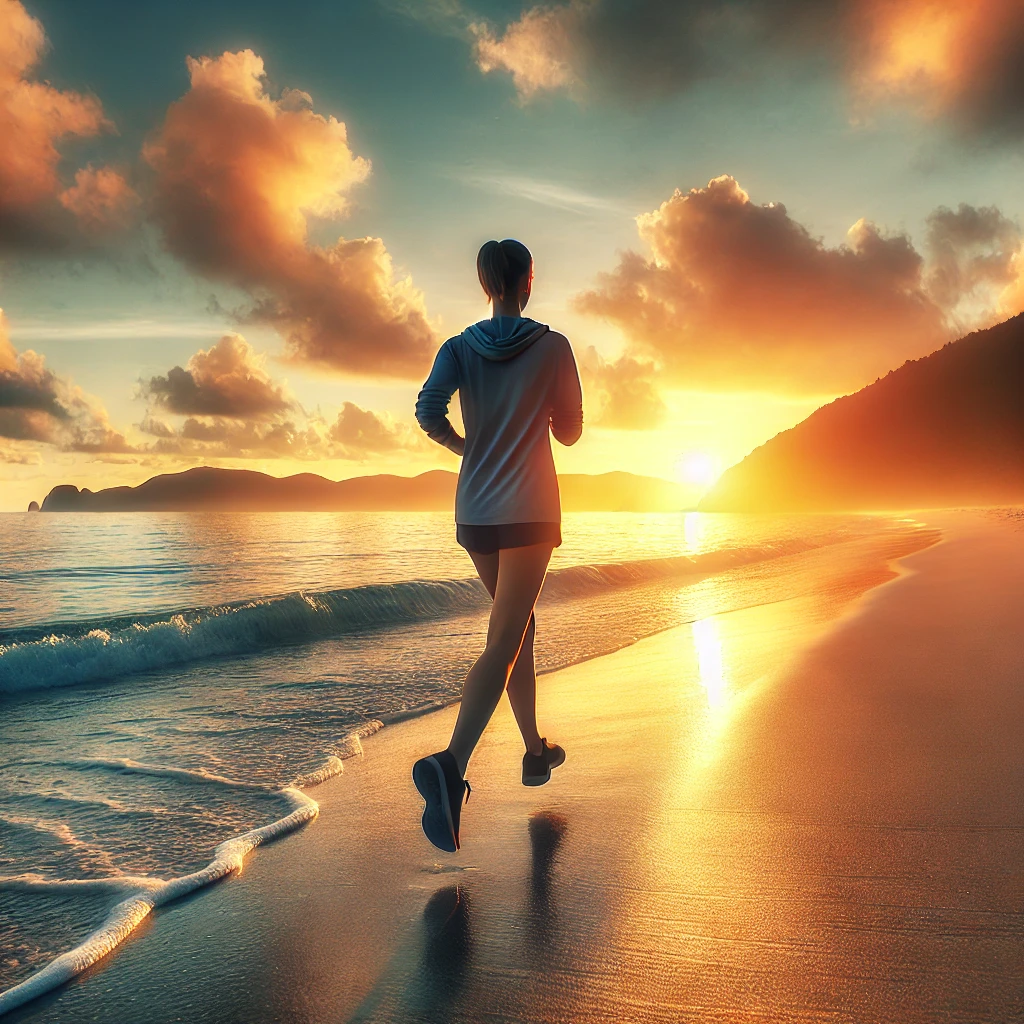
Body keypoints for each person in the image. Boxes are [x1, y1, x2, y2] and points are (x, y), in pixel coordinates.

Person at [412, 238, 583, 853]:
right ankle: (450, 767)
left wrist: (468, 448)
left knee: (517, 629)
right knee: (507, 635)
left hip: (476, 509)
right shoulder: (554, 345)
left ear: (485, 283)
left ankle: (534, 751)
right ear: (529, 281)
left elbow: (427, 409)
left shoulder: (459, 347)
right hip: (530, 509)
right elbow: (570, 432)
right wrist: (542, 417)